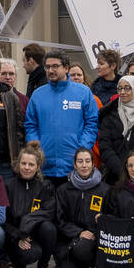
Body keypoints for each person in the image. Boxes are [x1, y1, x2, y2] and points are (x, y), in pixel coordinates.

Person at [24, 50, 101, 185]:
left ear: (66, 68)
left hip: (74, 166)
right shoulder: (38, 95)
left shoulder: (83, 93)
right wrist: (36, 146)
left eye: (55, 66)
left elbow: (92, 123)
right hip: (45, 166)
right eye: (47, 67)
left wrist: (82, 148)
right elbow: (30, 125)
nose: (50, 70)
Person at [49, 148, 109, 268]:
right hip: (72, 241)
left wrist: (99, 225)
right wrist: (78, 233)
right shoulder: (63, 190)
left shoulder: (105, 190)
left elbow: (111, 217)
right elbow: (60, 220)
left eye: (88, 161)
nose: (84, 165)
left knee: (83, 248)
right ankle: (79, 266)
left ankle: (97, 267)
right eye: (80, 161)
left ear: (93, 164)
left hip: (96, 241)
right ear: (74, 165)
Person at [3, 143, 59, 268]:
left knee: (50, 228)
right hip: (15, 237)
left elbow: (49, 212)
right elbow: (2, 219)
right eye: (23, 163)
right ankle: (18, 266)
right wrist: (18, 235)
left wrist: (26, 225)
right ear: (18, 164)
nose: (27, 168)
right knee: (28, 253)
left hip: (36, 235)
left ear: (38, 167)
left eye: (31, 164)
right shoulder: (8, 186)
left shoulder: (46, 186)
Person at [98, 75, 134, 185]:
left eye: (127, 88)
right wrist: (122, 171)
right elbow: (105, 147)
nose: (122, 92)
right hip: (113, 177)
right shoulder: (109, 115)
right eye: (120, 88)